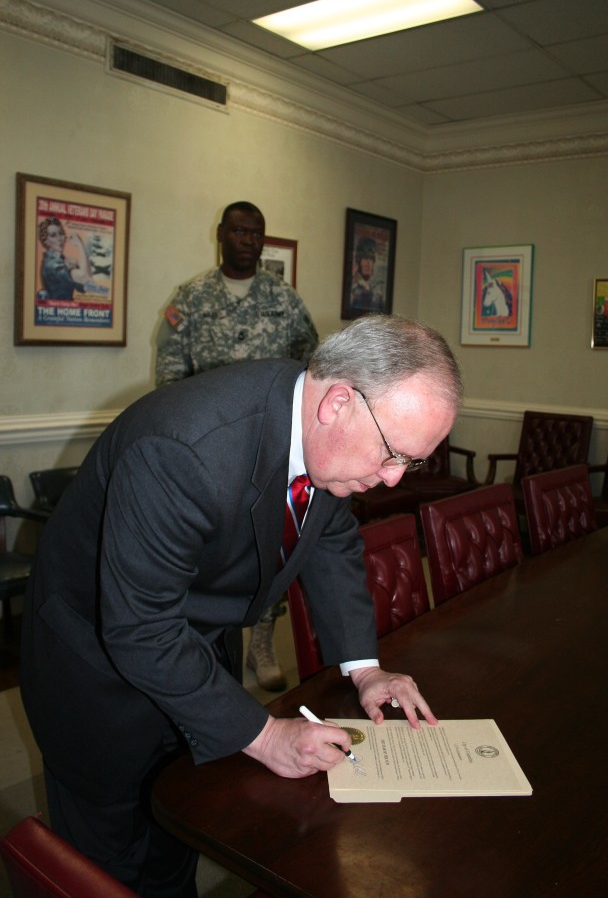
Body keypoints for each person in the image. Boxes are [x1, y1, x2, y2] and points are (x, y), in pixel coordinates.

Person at [20, 314, 461, 897]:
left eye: (412, 462)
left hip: (194, 640)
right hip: (94, 663)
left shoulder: (324, 432)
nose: (391, 479)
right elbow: (142, 629)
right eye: (392, 455)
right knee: (107, 861)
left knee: (178, 827)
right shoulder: (185, 449)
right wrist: (263, 734)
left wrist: (365, 668)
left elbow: (329, 542)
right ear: (338, 403)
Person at [155, 201, 318, 692]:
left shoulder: (285, 300)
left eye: (257, 233)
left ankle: (262, 643)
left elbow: (312, 371)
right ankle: (206, 646)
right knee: (209, 552)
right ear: (221, 234)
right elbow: (168, 380)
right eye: (240, 231)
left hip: (269, 451)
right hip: (206, 454)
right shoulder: (192, 299)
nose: (249, 240)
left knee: (270, 548)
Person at [38, 217, 107, 300]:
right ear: (45, 240)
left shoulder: (62, 261)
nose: (59, 238)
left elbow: (88, 282)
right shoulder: (52, 264)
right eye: (53, 235)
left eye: (61, 233)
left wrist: (105, 291)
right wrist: (80, 245)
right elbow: (83, 275)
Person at [350, 236, 385, 311]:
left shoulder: (378, 287)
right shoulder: (354, 286)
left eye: (371, 258)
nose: (368, 263)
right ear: (359, 261)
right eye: (365, 258)